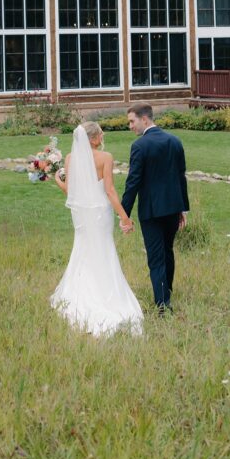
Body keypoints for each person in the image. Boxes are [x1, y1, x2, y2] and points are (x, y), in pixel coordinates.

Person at [50, 122, 143, 337]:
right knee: (103, 248)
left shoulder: (71, 159)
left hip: (81, 214)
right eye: (100, 134)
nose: (103, 136)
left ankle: (79, 292)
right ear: (92, 139)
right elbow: (109, 191)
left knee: (83, 248)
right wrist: (124, 217)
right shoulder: (105, 157)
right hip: (99, 212)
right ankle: (106, 294)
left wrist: (57, 180)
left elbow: (70, 191)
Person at [121, 104, 189, 314]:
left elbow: (133, 182)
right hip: (172, 208)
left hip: (151, 211)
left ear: (145, 119)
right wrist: (183, 209)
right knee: (167, 251)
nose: (130, 126)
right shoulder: (174, 141)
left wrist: (124, 214)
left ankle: (162, 304)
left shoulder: (140, 146)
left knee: (156, 256)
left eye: (132, 121)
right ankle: (165, 291)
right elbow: (181, 176)